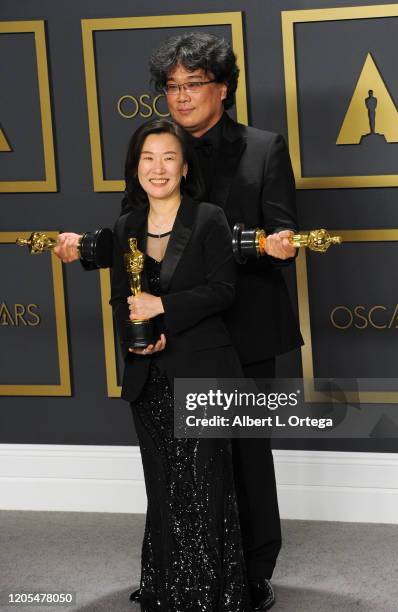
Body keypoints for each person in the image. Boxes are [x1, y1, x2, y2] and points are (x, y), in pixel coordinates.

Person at [54, 32, 303, 611]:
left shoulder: (264, 148)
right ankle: (182, 570)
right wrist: (88, 248)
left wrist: (254, 244)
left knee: (243, 452)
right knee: (173, 458)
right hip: (170, 333)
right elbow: (132, 233)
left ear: (223, 88)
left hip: (242, 327)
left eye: (194, 84)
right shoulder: (153, 148)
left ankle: (253, 571)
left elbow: (279, 233)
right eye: (172, 86)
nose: (182, 96)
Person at [111, 117, 250, 611]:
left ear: (185, 166)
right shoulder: (126, 225)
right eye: (148, 158)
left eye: (169, 157)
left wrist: (162, 308)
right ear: (135, 168)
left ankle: (210, 592)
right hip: (148, 377)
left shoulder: (208, 217)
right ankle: (166, 583)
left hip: (203, 372)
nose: (158, 168)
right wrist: (136, 342)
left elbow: (223, 290)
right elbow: (120, 302)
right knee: (163, 481)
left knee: (207, 482)